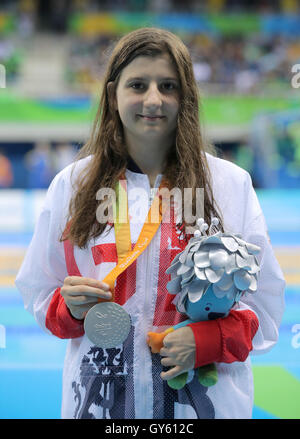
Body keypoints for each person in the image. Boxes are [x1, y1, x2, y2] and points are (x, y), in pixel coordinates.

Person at [15, 27, 285, 419]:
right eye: (138, 85)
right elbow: (40, 292)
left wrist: (211, 339)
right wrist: (69, 309)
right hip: (100, 407)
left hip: (203, 407)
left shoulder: (228, 185)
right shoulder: (72, 186)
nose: (154, 99)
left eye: (169, 86)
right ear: (113, 95)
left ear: (186, 96)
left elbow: (266, 305)